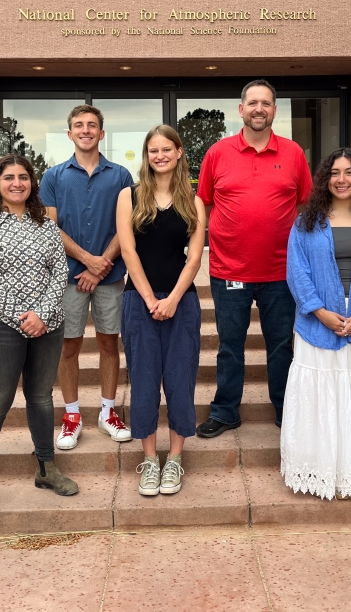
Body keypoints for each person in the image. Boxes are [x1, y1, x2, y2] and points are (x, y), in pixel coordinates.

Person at [195, 79, 313, 438]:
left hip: (281, 271)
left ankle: (285, 409)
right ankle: (226, 411)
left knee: (281, 346)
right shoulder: (218, 152)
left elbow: (306, 206)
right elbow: (203, 202)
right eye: (253, 103)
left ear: (275, 110)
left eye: (266, 103)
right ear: (241, 109)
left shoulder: (293, 153)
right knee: (230, 346)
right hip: (229, 269)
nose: (259, 109)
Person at [0, 155, 78, 513]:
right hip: (1, 325)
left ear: (32, 183)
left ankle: (46, 467)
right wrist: (21, 317)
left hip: (48, 324)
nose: (17, 183)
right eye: (9, 177)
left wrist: (41, 315)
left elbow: (60, 272)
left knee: (41, 397)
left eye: (24, 177)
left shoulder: (45, 224)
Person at [282, 149, 351, 500]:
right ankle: (318, 471)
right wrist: (320, 312)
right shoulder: (305, 222)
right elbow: (295, 272)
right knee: (320, 399)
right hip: (318, 324)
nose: (341, 179)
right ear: (324, 179)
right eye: (334, 172)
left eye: (349, 172)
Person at [116, 125, 206, 496]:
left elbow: (195, 257)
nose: (160, 156)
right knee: (145, 380)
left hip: (181, 302)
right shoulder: (129, 196)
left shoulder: (194, 201)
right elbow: (127, 251)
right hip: (139, 303)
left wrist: (171, 299)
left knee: (181, 380)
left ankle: (176, 460)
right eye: (153, 150)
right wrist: (151, 299)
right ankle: (151, 461)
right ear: (146, 155)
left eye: (167, 149)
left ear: (180, 152)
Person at [40, 104, 135, 449]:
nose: (85, 130)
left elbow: (126, 225)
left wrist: (102, 265)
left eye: (92, 125)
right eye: (78, 125)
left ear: (101, 133)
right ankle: (72, 415)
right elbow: (50, 226)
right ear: (70, 134)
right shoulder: (53, 177)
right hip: (68, 277)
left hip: (109, 276)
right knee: (69, 347)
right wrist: (86, 262)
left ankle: (108, 412)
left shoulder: (122, 176)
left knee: (110, 342)